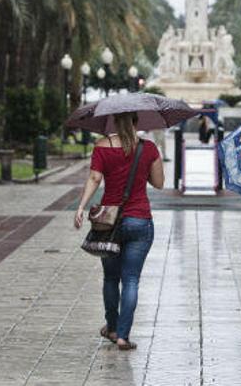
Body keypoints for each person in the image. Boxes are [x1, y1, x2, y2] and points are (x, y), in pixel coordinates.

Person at [74, 112, 164, 350]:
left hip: (109, 222)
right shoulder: (149, 148)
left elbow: (94, 177)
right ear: (137, 122)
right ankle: (123, 335)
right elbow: (159, 183)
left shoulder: (102, 146)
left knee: (111, 278)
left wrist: (81, 207)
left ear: (113, 122)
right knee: (131, 279)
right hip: (140, 220)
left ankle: (111, 328)